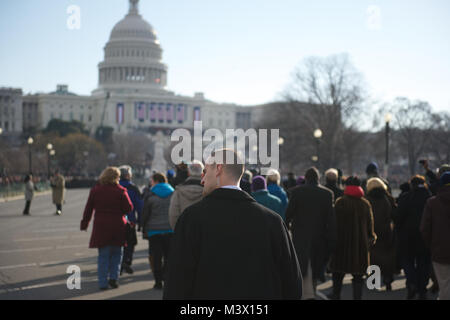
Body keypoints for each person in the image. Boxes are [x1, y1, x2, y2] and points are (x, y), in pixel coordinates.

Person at [164, 149, 302, 299]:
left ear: (218, 169)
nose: (202, 179)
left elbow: (176, 282)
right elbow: (292, 283)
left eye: (206, 171)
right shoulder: (272, 222)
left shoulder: (191, 219)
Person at [285, 167, 335, 300]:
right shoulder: (327, 194)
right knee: (315, 265)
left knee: (301, 266)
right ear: (318, 178)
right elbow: (330, 219)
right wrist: (331, 239)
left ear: (306, 178)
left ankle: (303, 293)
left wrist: (288, 229)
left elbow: (288, 215)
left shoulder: (297, 192)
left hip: (300, 234)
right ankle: (312, 291)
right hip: (319, 235)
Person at [80, 167, 133, 290]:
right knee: (117, 254)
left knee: (103, 256)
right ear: (116, 177)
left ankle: (103, 282)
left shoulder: (96, 190)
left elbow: (88, 209)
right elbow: (129, 208)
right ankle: (114, 278)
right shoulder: (121, 191)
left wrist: (84, 224)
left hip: (101, 226)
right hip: (117, 226)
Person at [328, 176, 376, 300]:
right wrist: (370, 239)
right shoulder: (365, 204)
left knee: (338, 273)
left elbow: (333, 225)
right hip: (359, 246)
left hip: (341, 244)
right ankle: (357, 297)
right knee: (358, 276)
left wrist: (332, 241)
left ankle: (336, 294)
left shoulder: (340, 202)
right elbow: (370, 227)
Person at [395, 175, 432, 299]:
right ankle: (422, 288)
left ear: (411, 185)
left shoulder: (405, 197)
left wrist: (397, 232)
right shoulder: (429, 197)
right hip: (424, 236)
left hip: (407, 236)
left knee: (407, 260)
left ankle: (412, 282)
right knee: (423, 262)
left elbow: (398, 217)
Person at [141, 172, 174, 290]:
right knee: (168, 256)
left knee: (156, 257)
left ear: (156, 181)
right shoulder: (173, 193)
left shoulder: (150, 195)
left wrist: (142, 227)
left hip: (154, 230)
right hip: (170, 229)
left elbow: (145, 213)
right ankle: (167, 277)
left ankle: (158, 281)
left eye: (151, 180)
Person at [421, 172, 450, 300]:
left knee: (444, 284)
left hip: (440, 250)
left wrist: (431, 245)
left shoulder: (432, 203)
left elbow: (424, 228)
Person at [365, 177, 397, 292]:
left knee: (373, 257)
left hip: (372, 231)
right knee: (387, 256)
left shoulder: (367, 199)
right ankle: (388, 280)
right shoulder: (388, 198)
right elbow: (395, 214)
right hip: (386, 231)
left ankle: (374, 281)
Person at [118, 165, 144, 275]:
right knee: (130, 242)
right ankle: (127, 260)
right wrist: (141, 221)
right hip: (131, 220)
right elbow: (140, 206)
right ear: (128, 175)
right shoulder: (133, 188)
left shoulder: (115, 186)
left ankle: (118, 263)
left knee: (118, 243)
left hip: (116, 220)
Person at [169, 160, 204, 229]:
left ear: (188, 173)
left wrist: (178, 231)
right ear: (202, 173)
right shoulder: (209, 191)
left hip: (184, 230)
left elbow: (173, 214)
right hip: (203, 232)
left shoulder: (179, 191)